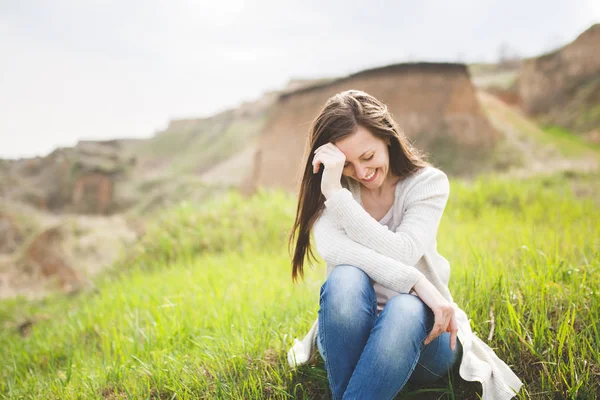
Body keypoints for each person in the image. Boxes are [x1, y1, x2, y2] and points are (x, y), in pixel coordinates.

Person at [287, 90, 523, 400]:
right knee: (345, 277)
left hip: (424, 340)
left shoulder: (427, 184)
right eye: (346, 165)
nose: (361, 173)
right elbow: (337, 252)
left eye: (367, 156)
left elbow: (403, 251)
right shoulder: (332, 189)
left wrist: (415, 290)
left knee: (405, 308)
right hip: (349, 336)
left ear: (387, 136)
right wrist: (417, 282)